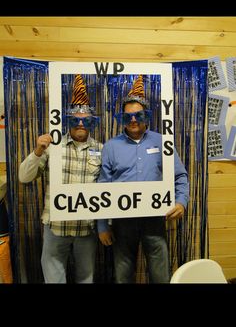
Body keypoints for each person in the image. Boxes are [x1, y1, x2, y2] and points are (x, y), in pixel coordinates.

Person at [97, 75, 189, 284]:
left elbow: (180, 176)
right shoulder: (111, 146)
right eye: (128, 116)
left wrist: (181, 202)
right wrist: (102, 225)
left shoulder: (162, 142)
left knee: (160, 275)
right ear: (121, 118)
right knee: (122, 275)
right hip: (122, 221)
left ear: (146, 116)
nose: (133, 120)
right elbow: (102, 186)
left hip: (155, 219)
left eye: (138, 115)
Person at [19, 74, 103, 283]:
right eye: (76, 119)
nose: (80, 124)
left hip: (86, 228)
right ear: (68, 121)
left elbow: (106, 190)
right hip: (56, 227)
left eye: (85, 120)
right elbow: (24, 177)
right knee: (54, 279)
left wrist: (105, 224)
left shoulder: (102, 150)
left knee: (86, 278)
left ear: (91, 121)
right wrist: (38, 150)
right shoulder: (51, 148)